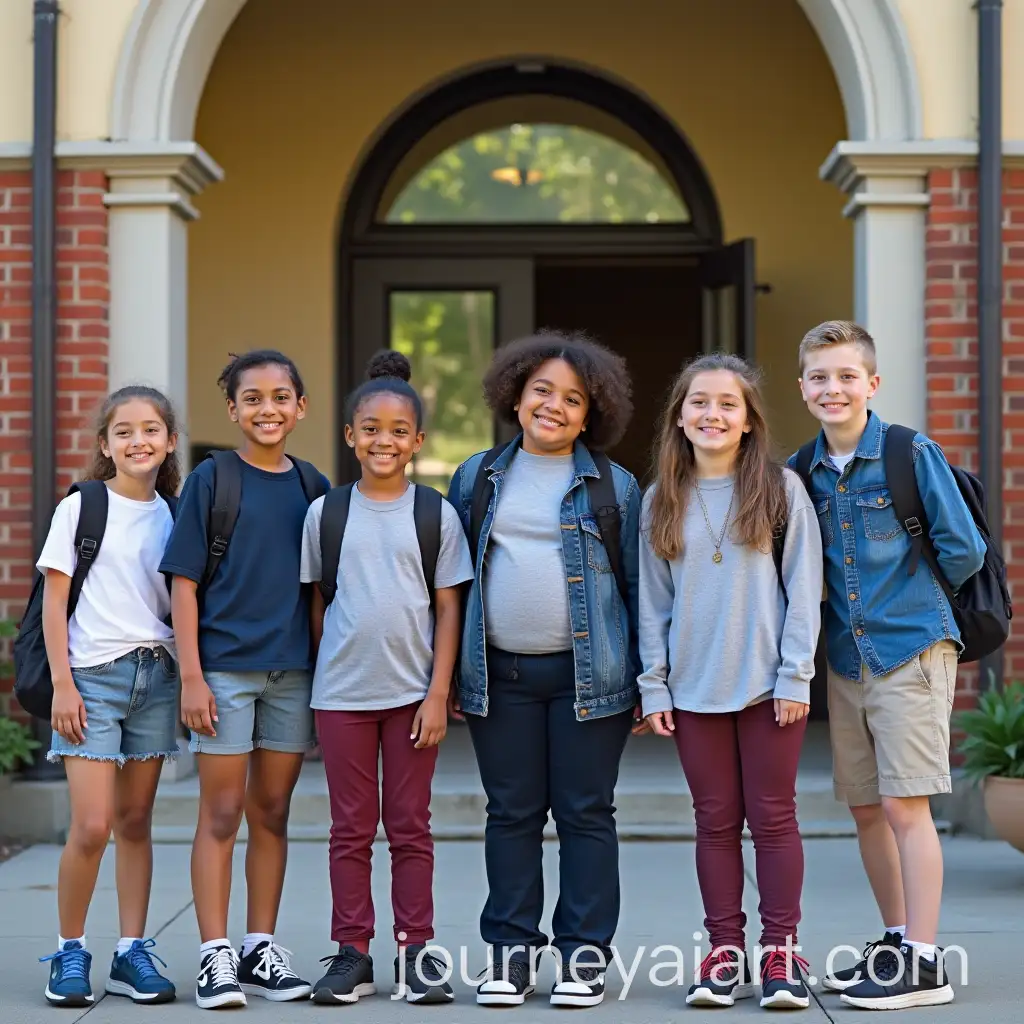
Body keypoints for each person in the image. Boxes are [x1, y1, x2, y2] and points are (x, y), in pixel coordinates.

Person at [791, 321, 986, 1010]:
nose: (833, 388)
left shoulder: (909, 453)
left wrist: (914, 603)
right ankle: (899, 940)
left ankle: (926, 964)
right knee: (868, 808)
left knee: (908, 806)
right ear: (803, 388)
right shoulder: (799, 471)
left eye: (847, 375)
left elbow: (961, 548)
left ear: (871, 383)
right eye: (820, 377)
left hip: (910, 649)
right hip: (846, 660)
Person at [447, 330, 642, 1010]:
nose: (553, 406)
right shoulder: (475, 477)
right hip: (501, 679)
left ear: (591, 414)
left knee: (586, 814)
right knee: (511, 815)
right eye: (541, 391)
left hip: (592, 681)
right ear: (515, 395)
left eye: (572, 399)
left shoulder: (614, 487)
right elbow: (454, 586)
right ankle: (509, 955)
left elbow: (638, 590)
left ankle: (582, 959)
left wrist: (649, 683)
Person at [639, 353, 822, 1011]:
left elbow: (804, 592)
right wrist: (653, 686)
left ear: (748, 422)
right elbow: (652, 602)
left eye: (727, 404)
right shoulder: (660, 498)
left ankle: (781, 951)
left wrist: (795, 675)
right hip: (692, 690)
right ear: (680, 416)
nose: (711, 413)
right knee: (713, 821)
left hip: (769, 689)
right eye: (698, 402)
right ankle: (722, 952)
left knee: (773, 819)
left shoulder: (780, 491)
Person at [299, 350, 473, 1006]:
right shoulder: (327, 514)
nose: (384, 441)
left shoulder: (436, 515)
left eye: (398, 431)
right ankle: (352, 952)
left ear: (418, 442)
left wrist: (437, 691)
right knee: (349, 828)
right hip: (342, 697)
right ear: (350, 436)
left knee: (408, 825)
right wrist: (329, 671)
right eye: (370, 428)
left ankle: (416, 950)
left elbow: (449, 606)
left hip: (411, 700)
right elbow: (319, 599)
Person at [160, 350, 330, 1010]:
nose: (268, 409)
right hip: (225, 673)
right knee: (223, 811)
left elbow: (318, 590)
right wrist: (192, 677)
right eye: (252, 398)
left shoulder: (312, 485)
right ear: (232, 410)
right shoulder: (213, 479)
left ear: (301, 407)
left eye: (281, 396)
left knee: (273, 812)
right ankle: (214, 956)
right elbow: (183, 583)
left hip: (292, 675)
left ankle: (261, 946)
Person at [37, 386, 183, 1008]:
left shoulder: (177, 513)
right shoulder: (82, 506)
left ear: (169, 441)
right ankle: (70, 951)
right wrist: (63, 684)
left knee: (134, 823)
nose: (138, 441)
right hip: (91, 679)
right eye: (123, 431)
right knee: (92, 826)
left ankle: (131, 952)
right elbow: (52, 600)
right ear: (105, 444)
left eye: (151, 430)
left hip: (157, 678)